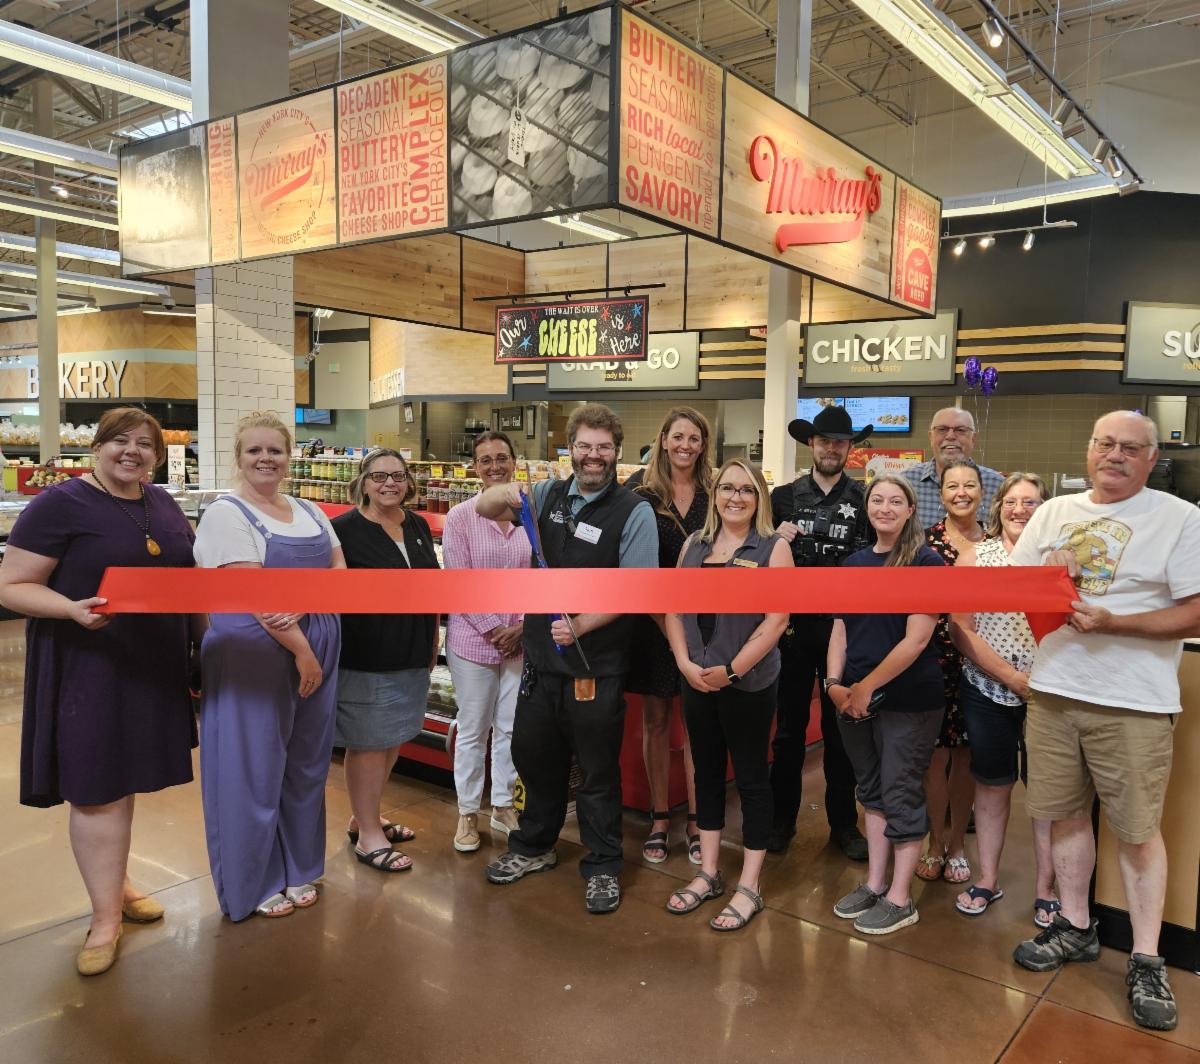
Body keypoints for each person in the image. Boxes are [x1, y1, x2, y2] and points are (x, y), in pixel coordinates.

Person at [1010, 412, 1200, 1033]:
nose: (1115, 455)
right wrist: (1049, 579)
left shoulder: (1178, 517)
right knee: (1063, 814)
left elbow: (1196, 612)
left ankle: (1147, 958)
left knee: (1139, 831)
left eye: (1130, 448)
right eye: (1105, 444)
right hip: (1056, 691)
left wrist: (1117, 623)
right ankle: (1075, 925)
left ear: (1150, 458)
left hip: (1135, 703)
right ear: (1089, 450)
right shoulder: (1051, 513)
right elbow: (1019, 593)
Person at [0, 408, 198, 975]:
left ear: (157, 456)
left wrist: (203, 641)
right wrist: (68, 608)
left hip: (149, 664)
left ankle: (119, 885)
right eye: (120, 442)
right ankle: (104, 918)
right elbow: (11, 586)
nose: (132, 452)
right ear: (98, 447)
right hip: (89, 664)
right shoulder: (59, 503)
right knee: (96, 787)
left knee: (122, 778)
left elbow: (185, 578)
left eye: (145, 445)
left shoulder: (160, 503)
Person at [476, 402, 657, 915]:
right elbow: (486, 508)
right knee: (537, 761)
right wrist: (502, 491)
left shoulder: (633, 511)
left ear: (616, 452)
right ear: (570, 450)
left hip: (594, 668)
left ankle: (602, 864)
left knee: (597, 771)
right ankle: (534, 846)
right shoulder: (548, 495)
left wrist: (579, 624)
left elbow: (637, 590)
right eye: (584, 446)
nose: (593, 456)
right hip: (540, 666)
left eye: (603, 447)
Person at [193, 411, 344, 921]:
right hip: (255, 649)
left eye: (274, 450)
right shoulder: (225, 513)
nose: (265, 459)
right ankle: (254, 880)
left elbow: (339, 572)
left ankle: (299, 866)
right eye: (254, 450)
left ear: (289, 456)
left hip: (318, 637)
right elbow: (255, 595)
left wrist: (309, 617)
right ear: (238, 457)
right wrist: (303, 650)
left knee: (305, 764)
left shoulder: (310, 510)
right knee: (252, 766)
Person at [664, 459, 792, 931]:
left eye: (746, 489)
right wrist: (684, 664)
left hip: (749, 684)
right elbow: (673, 609)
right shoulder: (693, 545)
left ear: (759, 497)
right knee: (708, 776)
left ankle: (751, 884)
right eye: (726, 488)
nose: (735, 497)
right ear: (714, 494)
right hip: (696, 679)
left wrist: (734, 671)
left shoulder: (773, 548)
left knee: (753, 779)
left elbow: (777, 620)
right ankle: (710, 872)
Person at [826, 474, 945, 936]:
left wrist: (864, 688)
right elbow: (840, 628)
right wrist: (835, 683)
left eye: (897, 501)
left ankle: (901, 897)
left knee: (900, 793)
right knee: (870, 790)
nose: (886, 508)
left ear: (911, 510)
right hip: (854, 698)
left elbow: (916, 641)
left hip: (907, 700)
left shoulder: (926, 563)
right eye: (878, 500)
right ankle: (875, 883)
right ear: (867, 507)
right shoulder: (854, 562)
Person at [768, 405, 873, 860]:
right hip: (790, 630)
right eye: (824, 440)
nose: (831, 447)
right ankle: (780, 821)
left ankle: (844, 825)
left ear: (851, 448)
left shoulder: (869, 497)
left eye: (840, 441)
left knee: (841, 731)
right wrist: (777, 538)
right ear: (810, 444)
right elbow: (759, 557)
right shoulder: (782, 498)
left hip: (845, 631)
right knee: (788, 733)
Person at [950, 472, 1055, 920]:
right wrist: (1012, 678)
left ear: (1045, 509)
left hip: (1052, 696)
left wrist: (1039, 680)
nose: (1019, 510)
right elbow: (961, 629)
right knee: (992, 786)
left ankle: (1048, 888)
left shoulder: (1058, 561)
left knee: (1050, 795)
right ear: (999, 507)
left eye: (1030, 502)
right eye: (1012, 501)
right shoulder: (976, 557)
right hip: (987, 689)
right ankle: (988, 879)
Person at [333, 449, 439, 872]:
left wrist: (431, 641)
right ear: (363, 481)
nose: (389, 484)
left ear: (409, 482)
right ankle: (368, 837)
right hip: (367, 656)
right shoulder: (343, 530)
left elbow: (430, 589)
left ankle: (368, 816)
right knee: (368, 744)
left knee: (392, 738)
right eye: (379, 476)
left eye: (397, 476)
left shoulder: (415, 524)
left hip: (412, 652)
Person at [623, 407, 712, 865]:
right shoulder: (637, 492)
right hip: (651, 623)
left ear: (703, 445)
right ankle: (660, 818)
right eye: (678, 436)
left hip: (702, 625)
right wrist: (664, 618)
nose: (685, 446)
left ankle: (698, 820)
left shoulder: (716, 493)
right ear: (662, 439)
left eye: (694, 439)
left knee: (697, 723)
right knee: (655, 720)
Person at [442, 431, 529, 853]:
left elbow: (543, 575)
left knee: (510, 728)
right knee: (474, 728)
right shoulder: (460, 517)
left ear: (514, 461)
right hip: (473, 642)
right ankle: (466, 813)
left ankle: (502, 806)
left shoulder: (530, 512)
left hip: (521, 641)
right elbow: (458, 582)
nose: (495, 466)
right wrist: (497, 629)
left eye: (502, 458)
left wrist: (523, 626)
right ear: (474, 467)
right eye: (485, 460)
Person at [917, 459, 984, 885]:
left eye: (970, 485)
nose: (961, 492)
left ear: (982, 491)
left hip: (980, 665)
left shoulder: (997, 547)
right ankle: (935, 843)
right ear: (940, 494)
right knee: (933, 756)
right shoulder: (924, 545)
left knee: (966, 758)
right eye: (952, 486)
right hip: (932, 661)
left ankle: (958, 843)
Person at [903, 407, 1003, 529]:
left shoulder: (998, 486)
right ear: (930, 437)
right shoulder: (905, 483)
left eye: (960, 430)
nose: (950, 436)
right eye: (942, 429)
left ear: (973, 439)